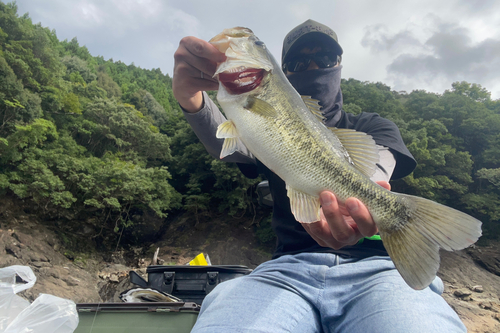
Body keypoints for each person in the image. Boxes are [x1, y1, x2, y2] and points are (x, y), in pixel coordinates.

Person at [172, 20, 466, 332]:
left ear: (339, 65)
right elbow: (224, 142)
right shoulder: (254, 124)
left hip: (378, 269)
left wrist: (359, 209)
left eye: (325, 59)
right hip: (286, 271)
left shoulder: (376, 126)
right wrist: (189, 98)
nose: (314, 67)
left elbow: (376, 168)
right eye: (299, 63)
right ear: (283, 73)